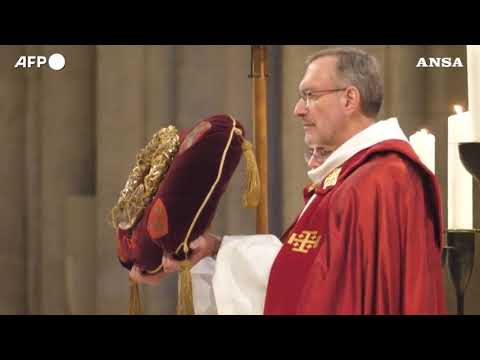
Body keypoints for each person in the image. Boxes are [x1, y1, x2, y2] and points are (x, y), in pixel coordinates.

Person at [129, 47, 447, 315]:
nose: (298, 109)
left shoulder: (381, 181)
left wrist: (221, 251)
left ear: (350, 99)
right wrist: (216, 249)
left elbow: (322, 290)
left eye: (310, 95)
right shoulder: (352, 179)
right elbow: (307, 272)